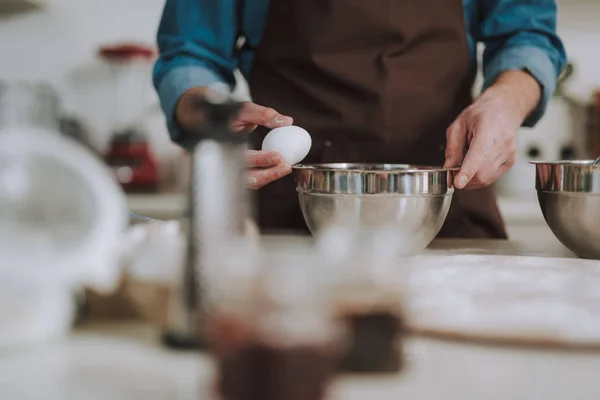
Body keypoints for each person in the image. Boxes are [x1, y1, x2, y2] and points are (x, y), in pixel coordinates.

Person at [153, 0, 566, 238]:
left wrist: (506, 101)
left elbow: (526, 34)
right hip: (290, 224)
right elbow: (191, 54)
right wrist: (211, 117)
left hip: (445, 211)